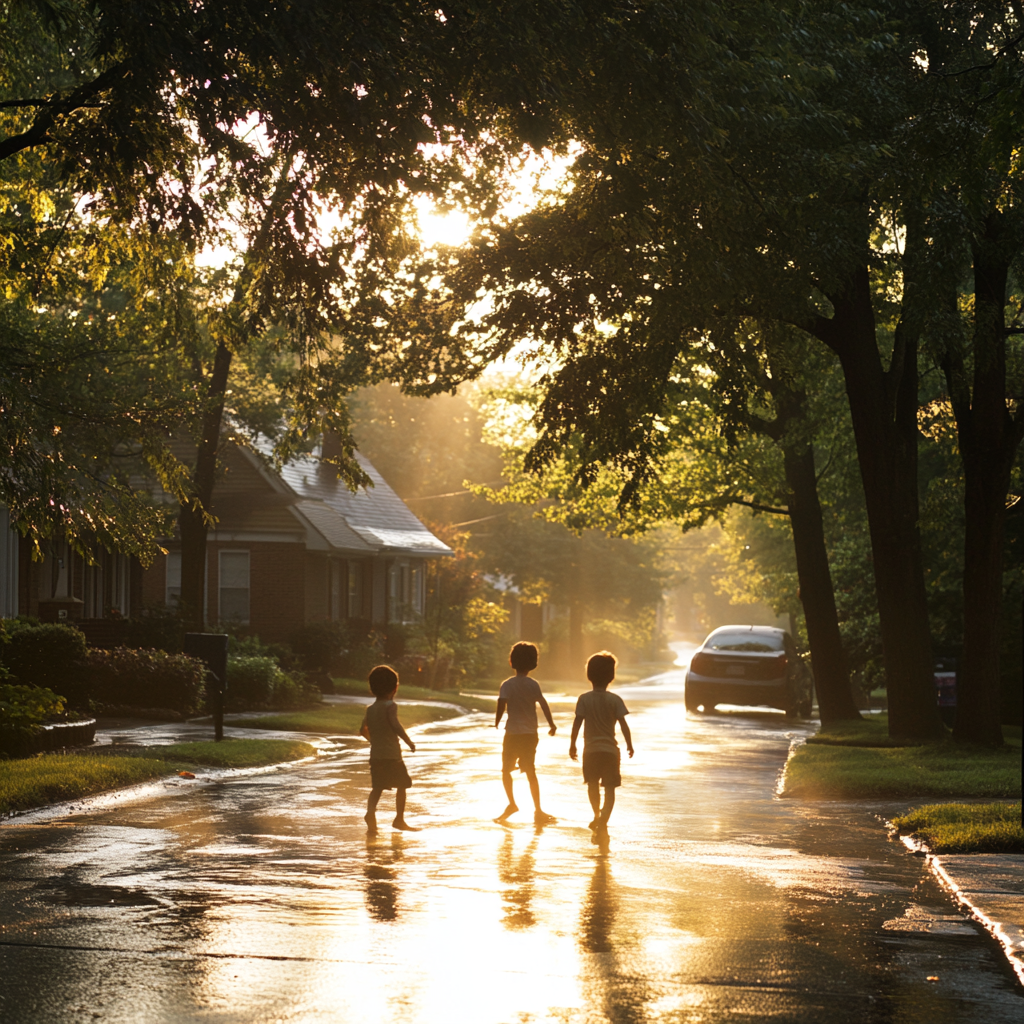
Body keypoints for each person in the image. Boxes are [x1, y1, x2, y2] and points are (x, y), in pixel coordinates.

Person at [495, 641, 558, 824]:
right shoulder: (533, 685)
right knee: (530, 771)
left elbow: (501, 704)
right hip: (530, 734)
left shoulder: (507, 684)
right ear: (533, 663)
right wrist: (551, 724)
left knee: (506, 769)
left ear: (511, 662)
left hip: (513, 733)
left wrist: (497, 721)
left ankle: (512, 803)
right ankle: (538, 809)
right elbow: (543, 704)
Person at [569, 650, 633, 831]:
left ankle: (596, 814)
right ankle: (604, 816)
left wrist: (572, 744)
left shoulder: (584, 699)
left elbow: (577, 723)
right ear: (611, 676)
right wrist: (629, 744)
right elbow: (623, 724)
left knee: (592, 784)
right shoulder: (615, 700)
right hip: (610, 751)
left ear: (589, 675)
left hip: (590, 751)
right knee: (610, 787)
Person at [360, 664, 419, 833]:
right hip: (392, 755)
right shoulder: (390, 706)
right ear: (395, 688)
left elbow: (362, 730)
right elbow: (396, 726)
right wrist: (409, 742)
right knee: (403, 784)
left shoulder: (370, 709)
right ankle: (399, 819)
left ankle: (370, 813)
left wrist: (374, 741)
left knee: (377, 787)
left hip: (376, 755)